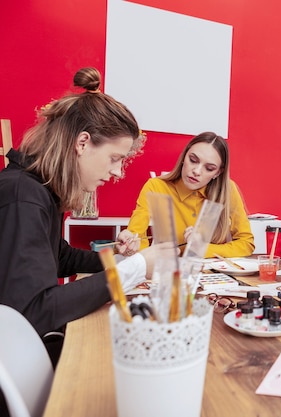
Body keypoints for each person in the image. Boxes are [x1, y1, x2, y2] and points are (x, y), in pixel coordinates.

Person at [0, 67, 157, 365]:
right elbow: (34, 311)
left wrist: (119, 260)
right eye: (115, 158)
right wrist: (134, 269)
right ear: (82, 143)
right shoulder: (23, 197)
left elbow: (58, 257)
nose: (117, 173)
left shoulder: (39, 190)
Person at [117, 132, 255, 258]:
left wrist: (202, 249)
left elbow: (246, 244)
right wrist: (131, 246)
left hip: (215, 276)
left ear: (218, 172)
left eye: (209, 168)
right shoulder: (156, 186)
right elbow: (136, 235)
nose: (197, 171)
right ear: (184, 158)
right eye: (193, 160)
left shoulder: (227, 190)